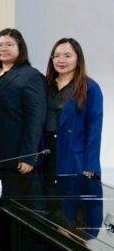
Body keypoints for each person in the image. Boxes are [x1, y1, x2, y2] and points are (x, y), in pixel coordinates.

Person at [0, 28, 46, 175]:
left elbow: (35, 117)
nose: (3, 48)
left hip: (16, 155)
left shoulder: (31, 76)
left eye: (9, 44)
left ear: (20, 47)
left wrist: (28, 155)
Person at [44, 38, 103, 178]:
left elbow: (94, 128)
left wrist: (90, 164)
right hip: (46, 152)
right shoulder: (45, 85)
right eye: (56, 56)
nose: (61, 60)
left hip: (74, 156)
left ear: (78, 58)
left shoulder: (90, 87)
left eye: (67, 55)